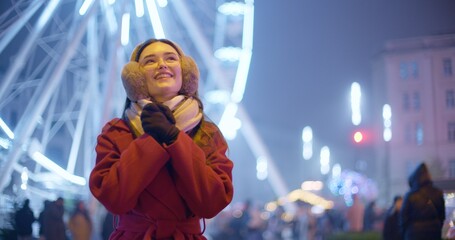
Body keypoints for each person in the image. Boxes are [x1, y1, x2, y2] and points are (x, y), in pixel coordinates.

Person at [89, 38, 234, 239]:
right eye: (150, 61)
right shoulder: (116, 131)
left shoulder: (208, 133)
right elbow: (113, 198)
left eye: (171, 58)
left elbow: (212, 202)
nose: (162, 65)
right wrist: (153, 141)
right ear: (135, 78)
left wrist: (174, 138)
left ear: (185, 71)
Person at [399, 162, 446, 240]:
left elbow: (403, 219)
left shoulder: (410, 195)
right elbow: (442, 215)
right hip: (434, 233)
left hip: (414, 234)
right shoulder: (438, 193)